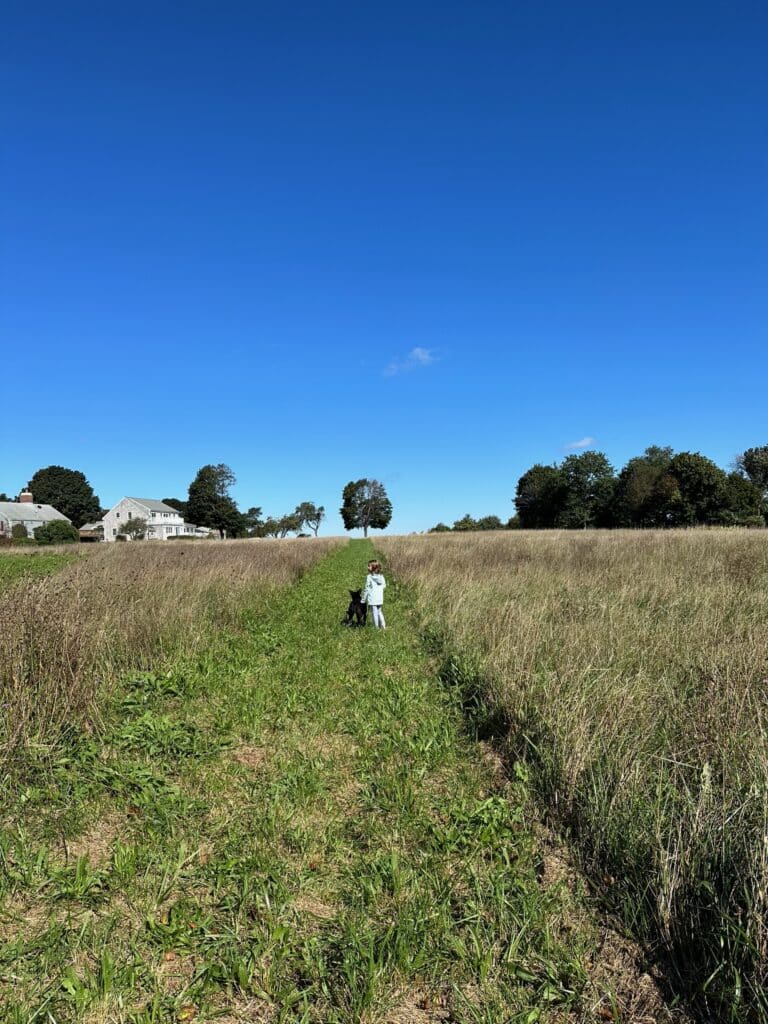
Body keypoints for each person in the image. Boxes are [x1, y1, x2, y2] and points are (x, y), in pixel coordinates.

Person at [362, 559, 386, 629]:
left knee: (374, 613)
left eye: (369, 566)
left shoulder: (369, 577)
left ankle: (376, 628)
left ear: (373, 568)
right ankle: (383, 626)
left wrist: (363, 599)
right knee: (379, 612)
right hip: (380, 598)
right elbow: (384, 586)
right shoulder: (381, 576)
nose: (367, 567)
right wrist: (379, 590)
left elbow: (367, 589)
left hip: (372, 598)